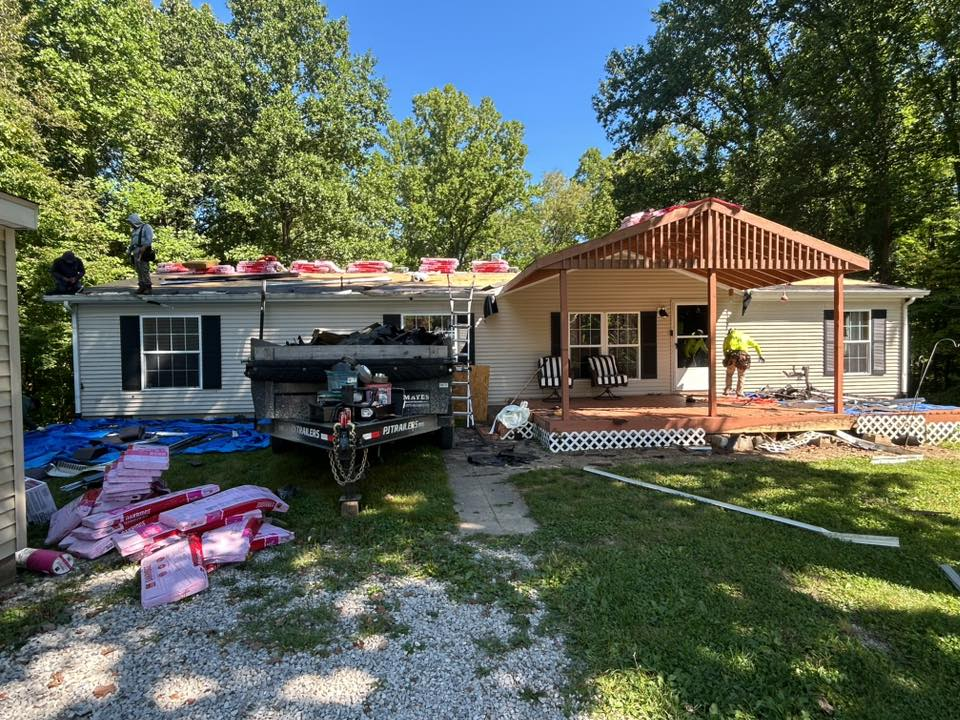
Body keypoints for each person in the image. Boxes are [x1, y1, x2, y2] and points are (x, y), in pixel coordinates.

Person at [723, 328, 764, 396]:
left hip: (732, 356)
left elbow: (725, 349)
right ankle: (739, 392)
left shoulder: (728, 337)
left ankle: (727, 389)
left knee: (729, 374)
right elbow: (756, 345)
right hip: (743, 357)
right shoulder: (745, 336)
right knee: (741, 375)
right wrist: (760, 355)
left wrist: (726, 357)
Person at [127, 213, 155, 294]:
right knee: (138, 269)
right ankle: (141, 286)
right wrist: (129, 250)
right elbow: (132, 241)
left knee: (144, 269)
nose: (130, 224)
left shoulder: (146, 227)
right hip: (135, 251)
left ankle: (148, 287)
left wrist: (145, 246)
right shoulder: (134, 230)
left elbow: (149, 239)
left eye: (130, 222)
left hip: (143, 251)